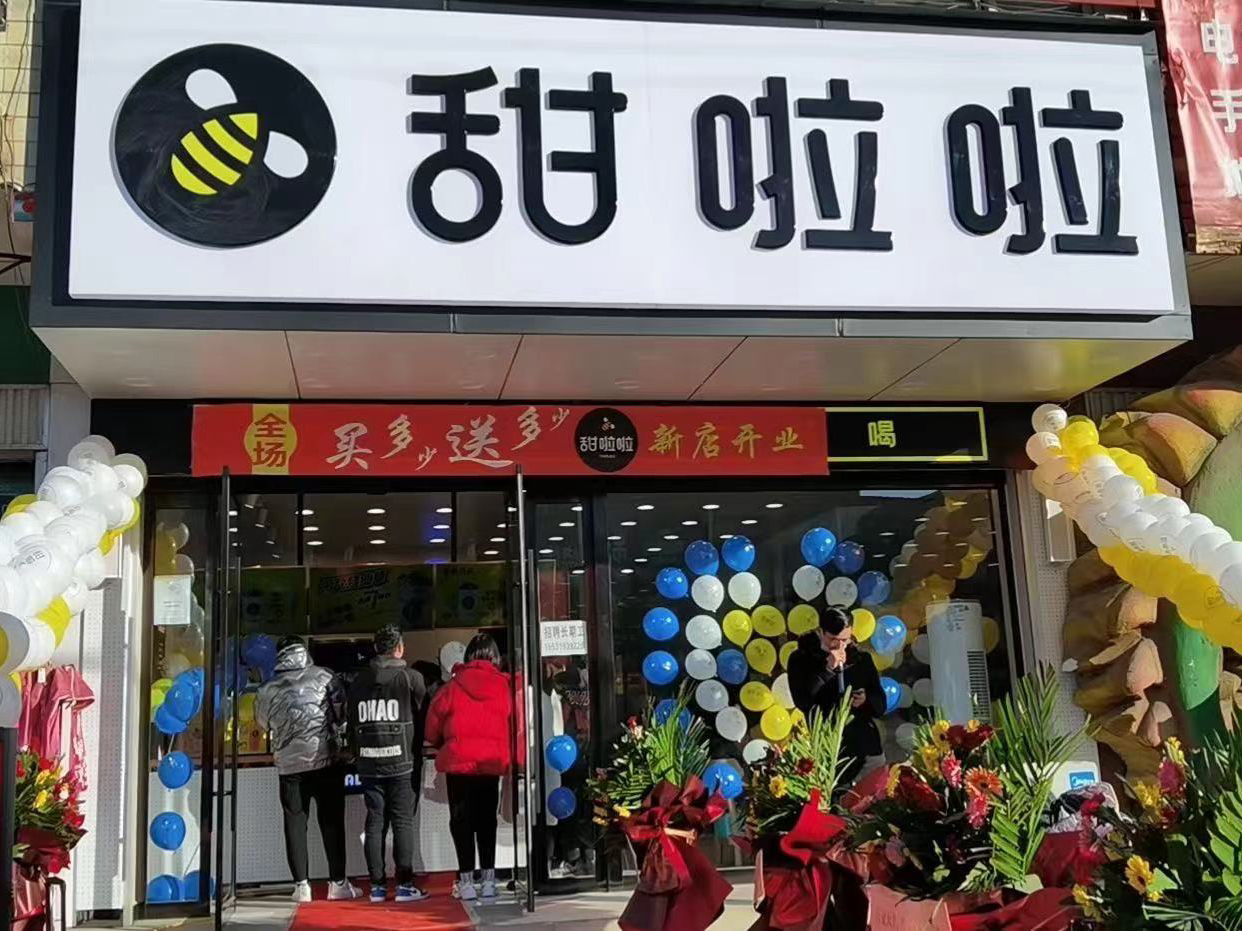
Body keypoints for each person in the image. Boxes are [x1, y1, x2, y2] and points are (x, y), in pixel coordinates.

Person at [255, 637, 360, 903]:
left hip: (289, 766)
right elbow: (342, 713)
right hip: (325, 760)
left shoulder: (267, 688)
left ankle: (302, 886)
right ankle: (338, 883)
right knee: (332, 822)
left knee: (294, 824)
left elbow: (263, 722)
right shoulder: (326, 676)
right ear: (305, 652)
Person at [425, 633, 516, 902]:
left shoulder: (452, 687)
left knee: (461, 821)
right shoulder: (505, 686)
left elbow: (431, 727)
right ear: (495, 657)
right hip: (491, 762)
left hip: (459, 762)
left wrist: (441, 742)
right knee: (487, 821)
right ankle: (488, 881)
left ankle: (466, 882)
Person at [347, 625, 428, 903]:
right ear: (399, 648)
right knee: (403, 821)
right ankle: (404, 885)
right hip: (402, 761)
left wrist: (355, 753)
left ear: (375, 649)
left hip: (369, 760)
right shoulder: (411, 678)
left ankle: (377, 887)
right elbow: (424, 716)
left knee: (375, 821)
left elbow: (350, 721)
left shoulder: (359, 681)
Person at [787, 605, 887, 783]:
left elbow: (880, 705)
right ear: (821, 632)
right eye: (833, 639)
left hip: (866, 747)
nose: (840, 646)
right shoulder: (800, 659)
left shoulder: (861, 659)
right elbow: (803, 701)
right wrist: (827, 670)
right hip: (830, 752)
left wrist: (866, 700)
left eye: (845, 640)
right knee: (837, 798)